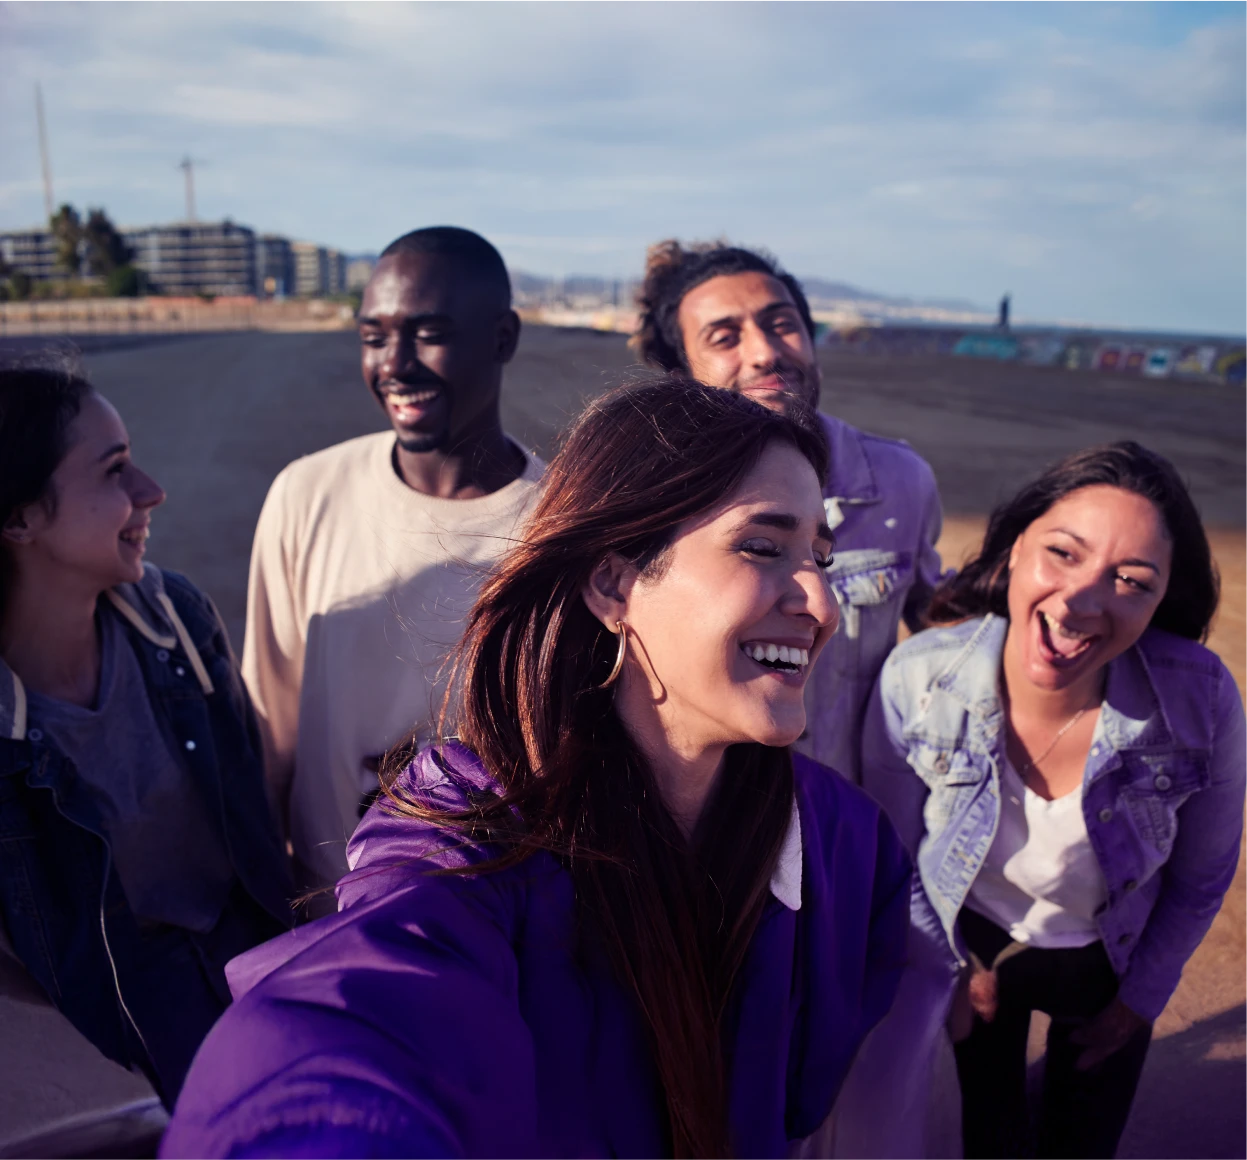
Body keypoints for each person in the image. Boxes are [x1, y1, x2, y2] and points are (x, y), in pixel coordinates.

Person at [164, 380, 912, 1160]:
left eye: (820, 558)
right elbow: (352, 1016)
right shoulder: (469, 829)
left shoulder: (849, 849)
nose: (821, 604)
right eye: (762, 547)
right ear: (613, 583)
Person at [856, 441, 1246, 1159]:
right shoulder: (916, 680)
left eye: (1130, 579)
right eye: (1062, 553)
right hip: (973, 940)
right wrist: (945, 968)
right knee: (985, 1137)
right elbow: (895, 851)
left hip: (1110, 957)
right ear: (1011, 551)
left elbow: (1199, 878)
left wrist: (1138, 1001)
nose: (1079, 601)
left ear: (1160, 600)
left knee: (1080, 1140)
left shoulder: (1200, 701)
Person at [0, 363, 293, 1107]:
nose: (150, 491)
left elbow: (253, 810)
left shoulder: (177, 623)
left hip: (260, 977)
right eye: (115, 470)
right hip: (125, 1034)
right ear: (20, 518)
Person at [242, 226, 546, 902]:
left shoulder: (560, 523)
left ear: (502, 338)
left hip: (493, 915)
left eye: (428, 334)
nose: (394, 365)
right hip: (324, 907)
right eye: (373, 338)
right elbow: (269, 724)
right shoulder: (306, 493)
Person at [633, 240, 944, 780]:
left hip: (842, 828)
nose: (764, 352)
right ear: (679, 373)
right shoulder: (648, 494)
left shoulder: (899, 483)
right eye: (724, 337)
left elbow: (939, 633)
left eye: (781, 324)